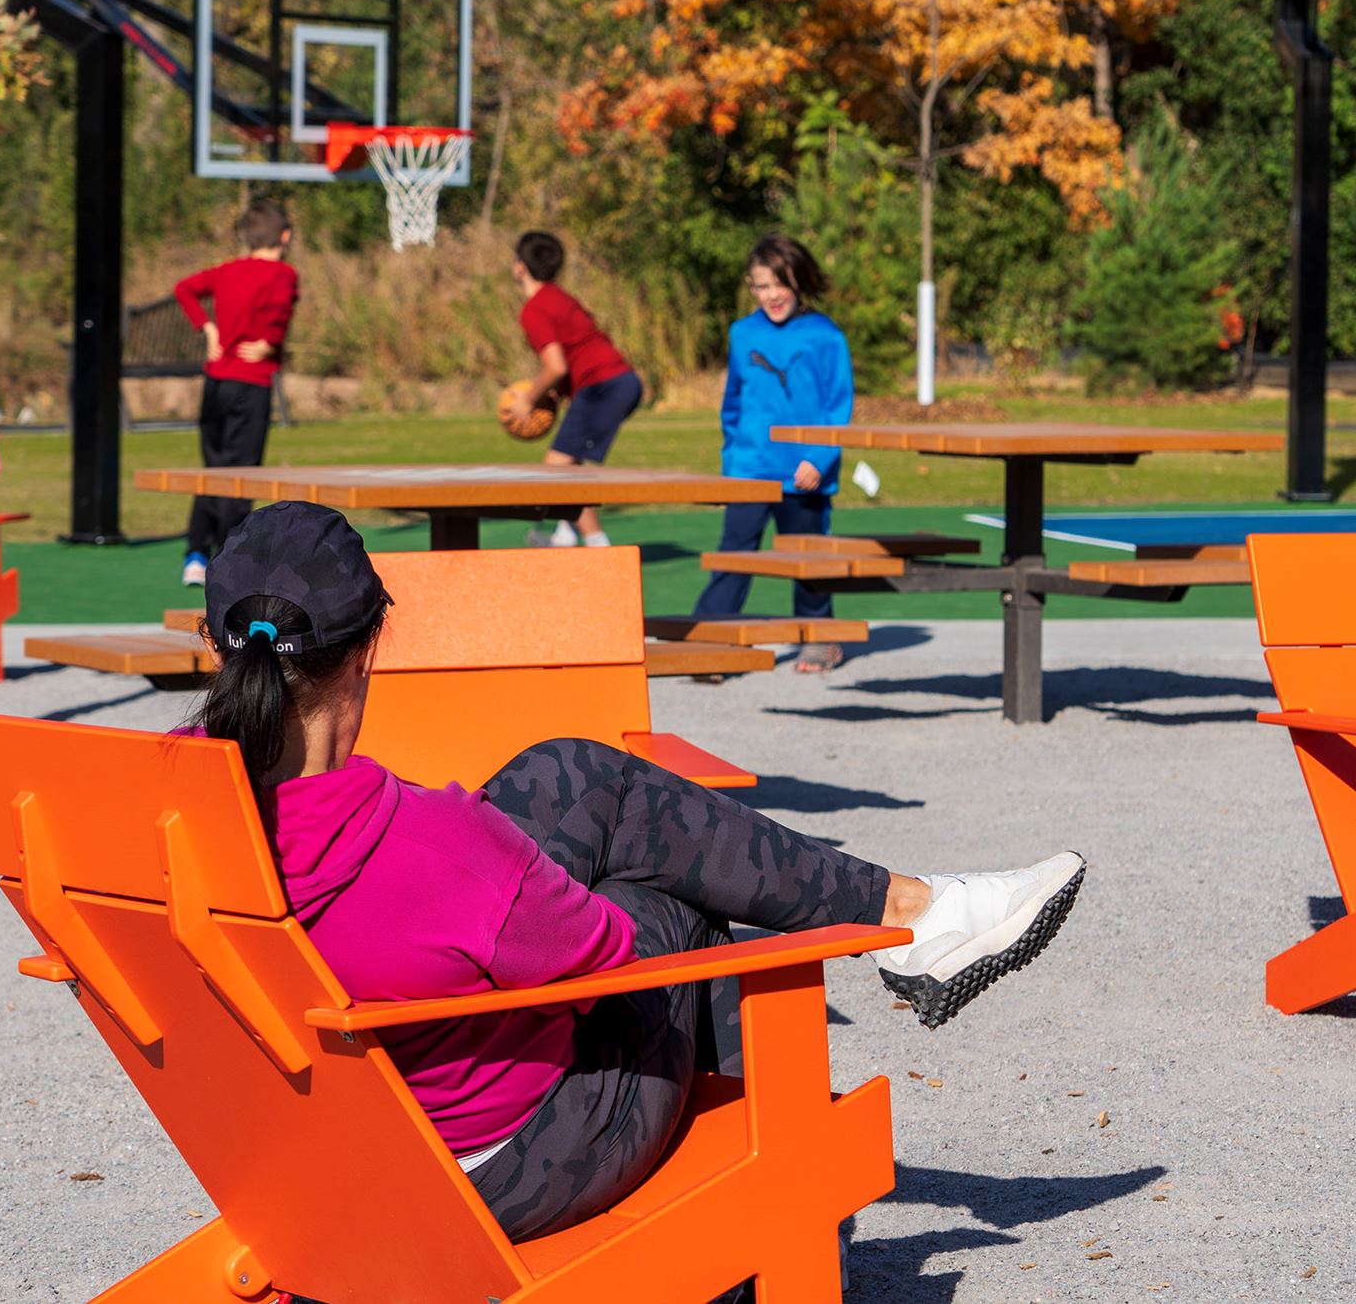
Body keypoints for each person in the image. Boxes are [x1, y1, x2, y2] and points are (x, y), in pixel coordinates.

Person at [185, 501, 1086, 1246]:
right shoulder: (435, 844)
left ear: (220, 645)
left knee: (568, 773)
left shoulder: (159, 804)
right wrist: (523, 875)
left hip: (309, 1143)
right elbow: (607, 953)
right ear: (366, 649)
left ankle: (912, 911)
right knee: (674, 904)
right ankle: (782, 1232)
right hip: (489, 1168)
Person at [691, 234, 854, 671]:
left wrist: (818, 460)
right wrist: (733, 462)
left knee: (809, 559)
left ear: (798, 281)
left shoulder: (826, 336)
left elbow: (839, 405)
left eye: (780, 284)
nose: (772, 295)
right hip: (750, 469)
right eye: (761, 286)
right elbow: (734, 404)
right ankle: (712, 643)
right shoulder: (742, 333)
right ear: (750, 285)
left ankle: (820, 638)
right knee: (734, 555)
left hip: (804, 472)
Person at [173, 199, 298, 587]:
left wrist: (207, 328)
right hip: (250, 383)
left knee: (213, 468)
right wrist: (269, 342)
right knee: (240, 473)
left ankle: (196, 552)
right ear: (285, 236)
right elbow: (279, 314)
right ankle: (231, 556)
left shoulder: (228, 270)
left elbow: (185, 289)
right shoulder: (282, 274)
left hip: (216, 382)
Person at [505, 230, 642, 548]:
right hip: (617, 381)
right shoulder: (559, 296)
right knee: (569, 465)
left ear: (520, 267)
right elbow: (577, 350)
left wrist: (529, 398)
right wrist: (557, 391)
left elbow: (556, 366)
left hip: (605, 385)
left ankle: (598, 543)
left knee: (557, 467)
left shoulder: (535, 308)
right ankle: (565, 534)